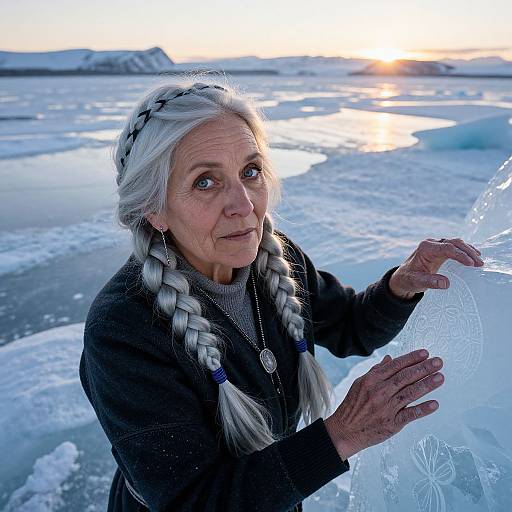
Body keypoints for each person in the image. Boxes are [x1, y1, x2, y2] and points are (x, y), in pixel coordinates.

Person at [78, 74, 484, 512]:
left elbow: (350, 324)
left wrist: (400, 285)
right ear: (154, 209)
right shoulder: (124, 327)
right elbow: (192, 502)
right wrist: (340, 435)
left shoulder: (275, 259)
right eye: (205, 182)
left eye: (250, 172)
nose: (244, 204)